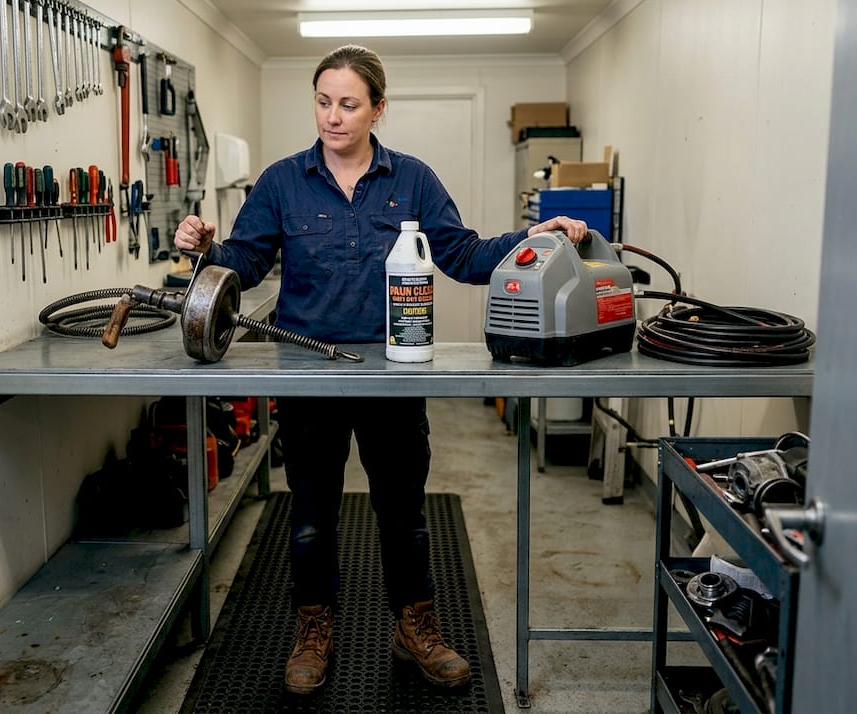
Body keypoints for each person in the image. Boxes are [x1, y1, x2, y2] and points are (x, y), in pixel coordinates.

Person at [174, 44, 587, 694]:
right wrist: (207, 248)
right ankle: (313, 627)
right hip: (309, 376)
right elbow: (246, 262)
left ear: (377, 108)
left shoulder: (413, 180)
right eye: (322, 102)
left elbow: (463, 255)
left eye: (348, 103)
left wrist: (532, 240)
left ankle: (413, 625)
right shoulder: (282, 182)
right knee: (311, 513)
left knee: (403, 511)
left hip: (394, 373)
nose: (332, 117)